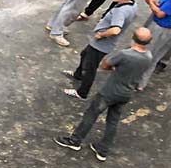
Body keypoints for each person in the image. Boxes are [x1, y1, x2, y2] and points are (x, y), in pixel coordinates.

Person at [55, 27, 153, 161]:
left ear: (133, 38)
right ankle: (103, 149)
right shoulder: (148, 56)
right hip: (126, 93)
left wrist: (115, 67)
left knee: (91, 114)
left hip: (110, 91)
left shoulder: (126, 54)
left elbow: (105, 65)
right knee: (113, 120)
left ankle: (75, 140)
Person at [63, 0, 137, 100]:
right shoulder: (132, 4)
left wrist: (101, 35)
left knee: (90, 68)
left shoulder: (120, 11)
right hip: (99, 43)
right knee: (84, 54)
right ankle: (78, 74)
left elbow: (115, 30)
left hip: (101, 44)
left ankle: (82, 92)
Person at [138, 0, 171, 90]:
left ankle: (139, 82)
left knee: (149, 55)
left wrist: (150, 3)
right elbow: (163, 7)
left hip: (162, 28)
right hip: (166, 29)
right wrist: (154, 3)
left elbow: (160, 14)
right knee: (156, 55)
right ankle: (140, 82)